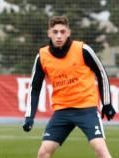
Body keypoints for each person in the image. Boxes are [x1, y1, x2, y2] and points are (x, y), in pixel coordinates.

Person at [22, 16, 116, 158]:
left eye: (62, 31)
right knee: (43, 153)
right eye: (55, 32)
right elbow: (34, 88)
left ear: (68, 33)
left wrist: (107, 103)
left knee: (101, 150)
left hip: (86, 109)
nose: (58, 35)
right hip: (62, 112)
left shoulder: (83, 49)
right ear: (49, 33)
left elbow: (101, 73)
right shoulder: (42, 56)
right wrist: (29, 116)